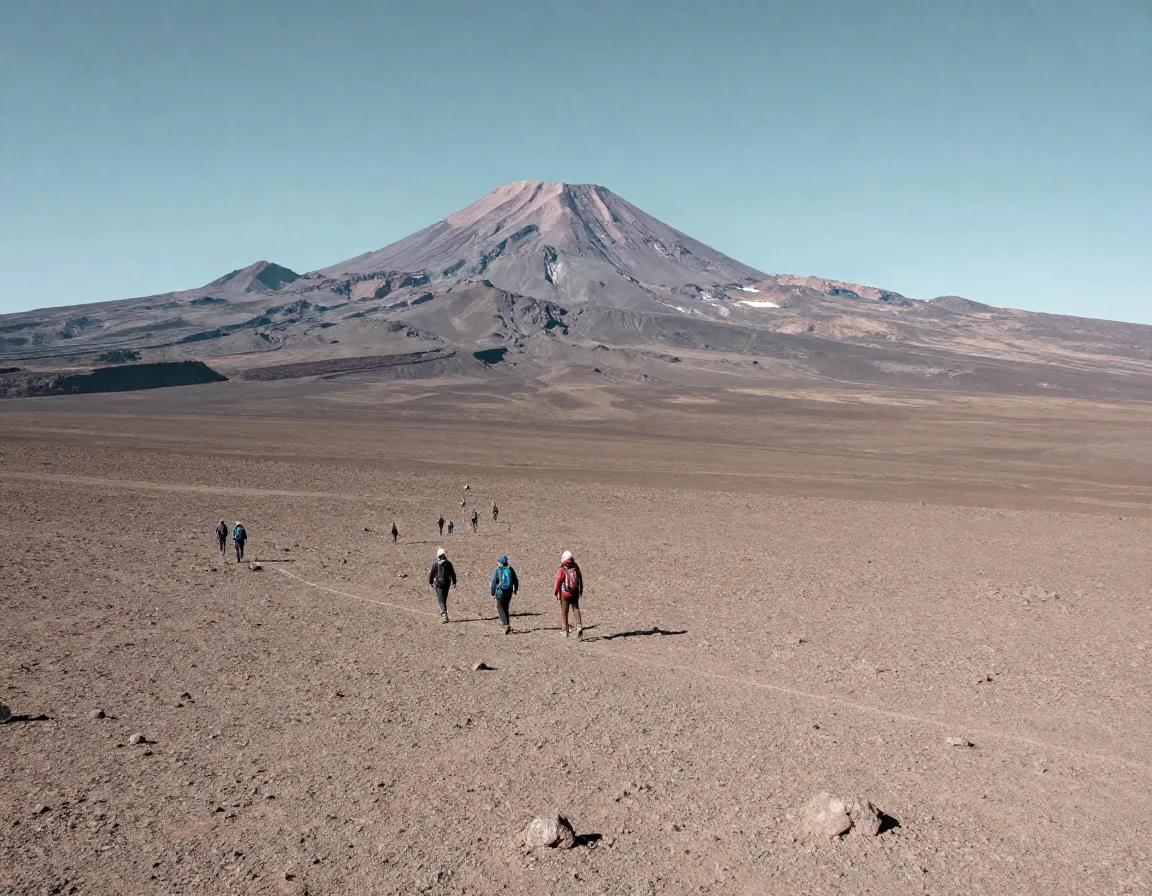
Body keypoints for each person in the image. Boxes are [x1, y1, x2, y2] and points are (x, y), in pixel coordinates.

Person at [553, 550, 584, 638]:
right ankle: (579, 627)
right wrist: (581, 589)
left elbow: (558, 581)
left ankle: (565, 631)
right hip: (575, 591)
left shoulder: (561, 569)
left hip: (565, 593)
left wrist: (556, 593)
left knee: (564, 611)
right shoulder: (575, 566)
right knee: (576, 608)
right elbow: (580, 577)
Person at [489, 555, 519, 634]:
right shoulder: (510, 569)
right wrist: (515, 589)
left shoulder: (498, 570)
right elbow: (515, 580)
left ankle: (505, 625)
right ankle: (508, 625)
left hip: (501, 592)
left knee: (499, 607)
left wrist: (492, 593)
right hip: (509, 591)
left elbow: (494, 583)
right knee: (506, 608)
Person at [428, 548, 457, 623]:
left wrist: (430, 582)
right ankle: (445, 615)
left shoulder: (436, 564)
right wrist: (454, 582)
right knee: (444, 599)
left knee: (440, 599)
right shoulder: (448, 563)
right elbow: (453, 573)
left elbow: (431, 574)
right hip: (447, 583)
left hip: (438, 584)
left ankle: (444, 616)